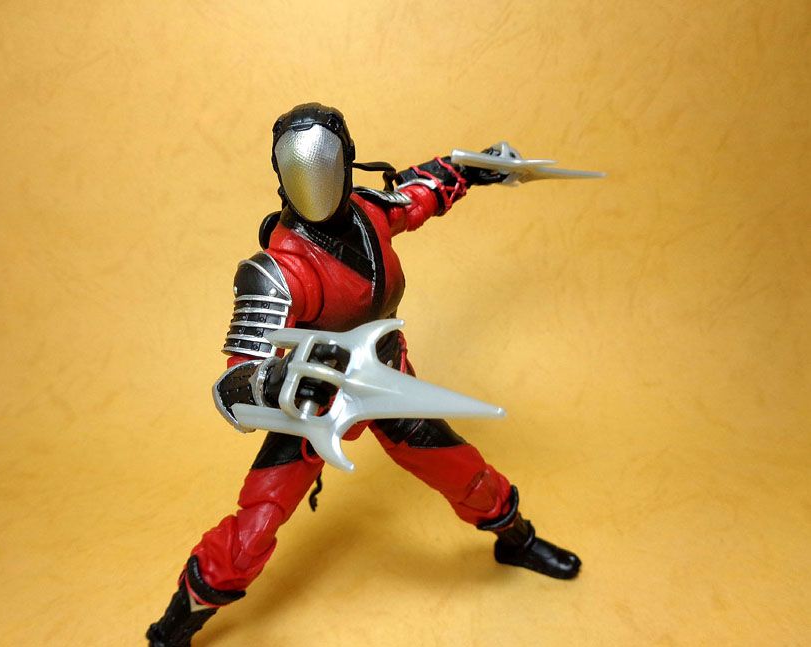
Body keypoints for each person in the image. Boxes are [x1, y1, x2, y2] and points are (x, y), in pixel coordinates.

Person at [147, 103, 580, 646]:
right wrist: (279, 382)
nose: (314, 184)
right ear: (281, 176)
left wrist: (473, 167)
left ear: (347, 162)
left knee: (462, 470)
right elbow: (234, 383)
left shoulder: (370, 212)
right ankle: (171, 630)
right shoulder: (276, 271)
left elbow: (420, 192)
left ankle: (516, 540)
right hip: (313, 405)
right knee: (254, 526)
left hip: (385, 376)